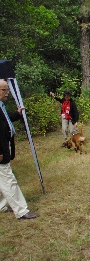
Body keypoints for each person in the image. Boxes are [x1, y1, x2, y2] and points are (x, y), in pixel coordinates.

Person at [0, 79, 39, 219]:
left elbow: (5, 121)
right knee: (8, 180)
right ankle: (22, 211)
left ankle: (1, 205)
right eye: (4, 90)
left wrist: (17, 114)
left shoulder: (1, 106)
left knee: (2, 178)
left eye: (7, 90)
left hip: (5, 147)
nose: (7, 93)